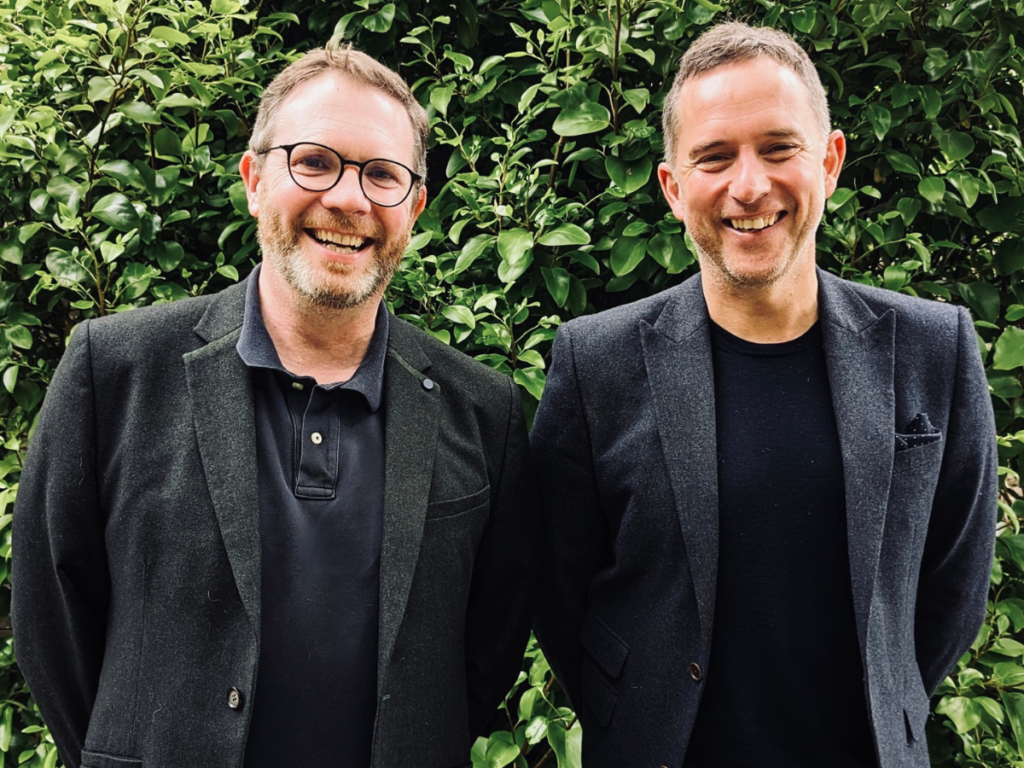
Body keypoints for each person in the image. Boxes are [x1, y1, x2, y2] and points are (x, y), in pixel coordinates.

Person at [13, 46, 537, 768]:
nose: (350, 199)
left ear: (413, 208)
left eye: (382, 175)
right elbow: (50, 620)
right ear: (255, 180)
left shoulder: (483, 408)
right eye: (315, 161)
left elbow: (487, 648)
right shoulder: (116, 371)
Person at [531, 21, 996, 768]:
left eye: (778, 148)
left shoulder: (933, 349)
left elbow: (952, 589)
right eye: (714, 157)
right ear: (674, 188)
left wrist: (887, 697)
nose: (749, 185)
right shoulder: (597, 364)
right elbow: (561, 593)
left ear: (830, 161)